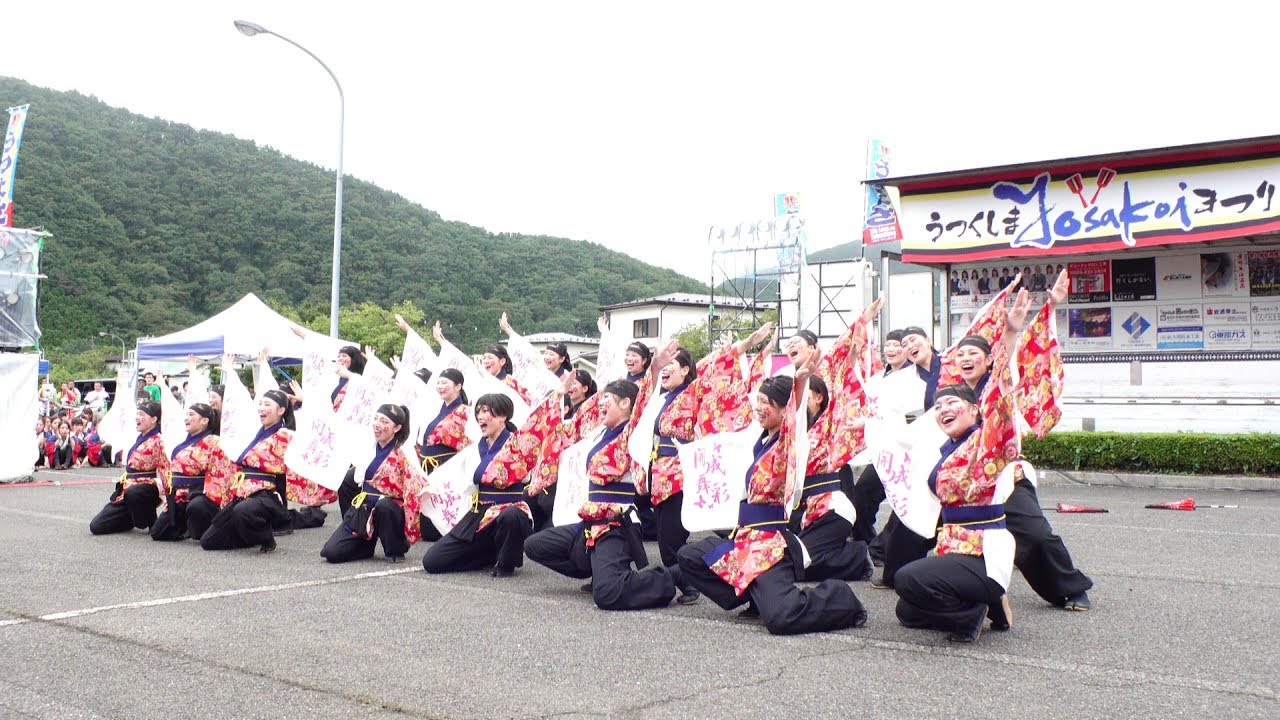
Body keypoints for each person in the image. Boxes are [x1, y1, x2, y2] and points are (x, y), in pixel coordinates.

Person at [677, 366, 868, 635]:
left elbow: (795, 420)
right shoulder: (761, 441)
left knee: (782, 617)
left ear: (783, 411)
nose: (759, 407)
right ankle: (752, 595)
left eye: (767, 403)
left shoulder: (786, 447)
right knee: (689, 557)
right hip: (744, 540)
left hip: (770, 547)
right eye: (758, 400)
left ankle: (841, 598)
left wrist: (800, 384)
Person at [525, 342, 684, 611]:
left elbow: (643, 404)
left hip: (616, 523)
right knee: (535, 545)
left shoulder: (632, 434)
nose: (600, 407)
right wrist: (561, 393)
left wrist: (655, 368)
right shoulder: (598, 433)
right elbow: (565, 431)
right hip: (590, 519)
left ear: (625, 404)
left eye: (606, 402)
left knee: (608, 596)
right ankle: (597, 569)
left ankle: (671, 576)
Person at [421, 394, 542, 577]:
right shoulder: (475, 449)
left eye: (485, 411)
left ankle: (506, 562)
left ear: (502, 416)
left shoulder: (517, 445)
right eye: (478, 411)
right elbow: (452, 474)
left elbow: (527, 476)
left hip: (510, 512)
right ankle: (487, 554)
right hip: (480, 513)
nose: (480, 416)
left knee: (510, 516)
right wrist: (425, 487)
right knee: (432, 561)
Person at [200, 389, 334, 553]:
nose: (261, 408)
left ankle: (266, 538)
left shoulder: (285, 435)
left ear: (281, 411)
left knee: (243, 512)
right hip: (242, 492)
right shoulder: (255, 433)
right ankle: (249, 535)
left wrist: (305, 401)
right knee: (208, 541)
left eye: (267, 404)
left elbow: (313, 441)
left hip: (266, 493)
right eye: (261, 404)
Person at [322, 404, 425, 563]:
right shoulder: (368, 446)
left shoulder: (404, 452)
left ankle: (395, 546)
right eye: (376, 419)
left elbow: (416, 485)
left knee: (385, 507)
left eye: (384, 422)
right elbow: (355, 479)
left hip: (389, 510)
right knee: (331, 552)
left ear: (396, 428)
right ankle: (364, 543)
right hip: (365, 506)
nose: (377, 425)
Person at [150, 403, 232, 542]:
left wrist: (211, 496)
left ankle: (206, 528)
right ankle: (185, 527)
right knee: (158, 532)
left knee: (197, 507)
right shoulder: (183, 442)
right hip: (180, 495)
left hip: (201, 493)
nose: (186, 418)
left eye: (191, 415)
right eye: (186, 415)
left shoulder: (214, 441)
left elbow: (220, 472)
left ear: (204, 421)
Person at [89, 402, 168, 535]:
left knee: (135, 492)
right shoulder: (137, 437)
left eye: (142, 414)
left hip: (146, 488)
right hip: (128, 489)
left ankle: (151, 521)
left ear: (154, 419)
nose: (137, 417)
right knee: (96, 526)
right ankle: (129, 518)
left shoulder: (159, 441)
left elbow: (166, 470)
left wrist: (170, 500)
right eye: (137, 414)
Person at [332, 345, 367, 411]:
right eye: (339, 356)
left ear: (354, 359)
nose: (340, 358)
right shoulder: (340, 379)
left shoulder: (360, 379)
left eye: (344, 356)